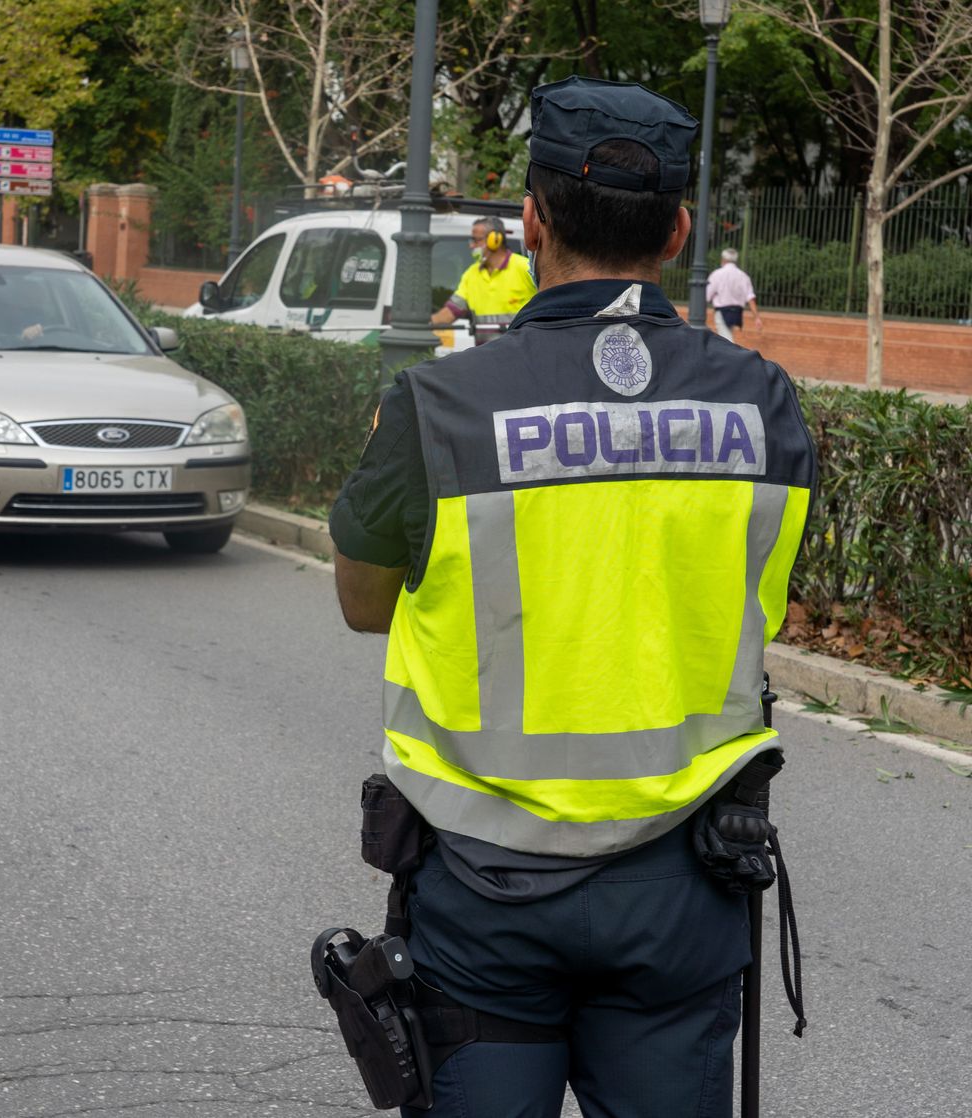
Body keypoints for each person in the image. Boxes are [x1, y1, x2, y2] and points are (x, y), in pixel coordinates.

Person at [329, 76, 817, 1116]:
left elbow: (364, 600)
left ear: (530, 220)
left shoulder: (436, 405)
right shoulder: (765, 402)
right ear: (680, 229)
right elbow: (754, 590)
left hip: (482, 886)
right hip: (683, 880)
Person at [430, 215, 536, 343]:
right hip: (486, 356)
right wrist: (420, 325)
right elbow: (450, 312)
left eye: (476, 240)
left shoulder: (524, 267)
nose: (471, 246)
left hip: (521, 355)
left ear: (495, 240)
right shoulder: (472, 274)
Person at [707, 247, 763, 342]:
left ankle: (729, 356)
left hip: (722, 311)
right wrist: (757, 318)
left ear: (723, 259)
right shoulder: (743, 276)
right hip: (737, 312)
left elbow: (707, 296)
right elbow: (750, 298)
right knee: (727, 336)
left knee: (726, 340)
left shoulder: (716, 274)